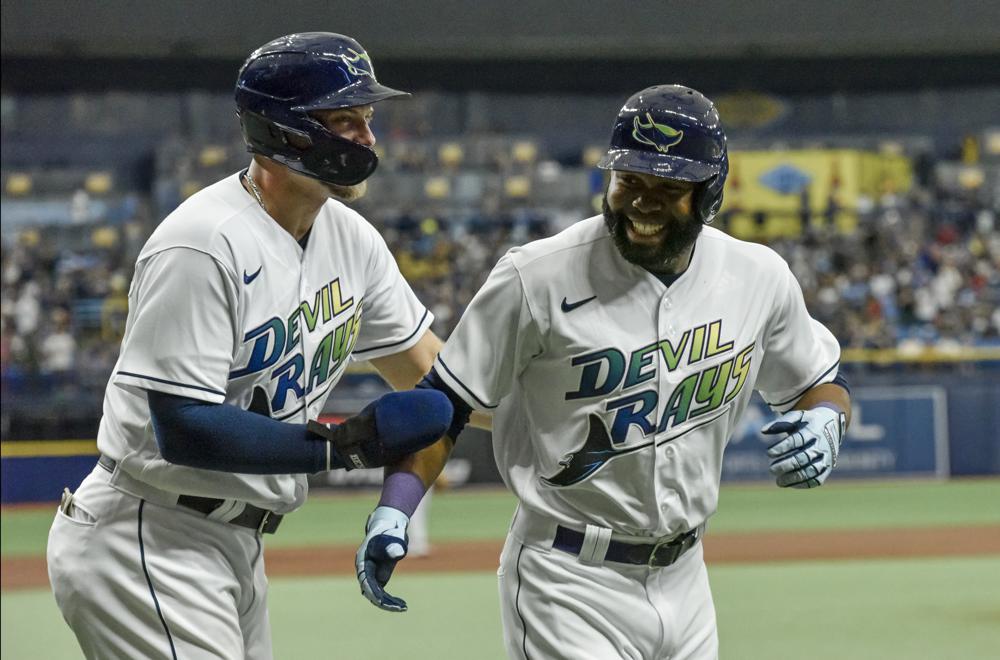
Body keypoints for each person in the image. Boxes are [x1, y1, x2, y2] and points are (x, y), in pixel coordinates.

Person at [355, 85, 852, 660]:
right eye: (629, 181)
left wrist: (826, 419)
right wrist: (396, 504)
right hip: (566, 580)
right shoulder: (534, 277)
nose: (642, 202)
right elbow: (444, 404)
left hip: (688, 577)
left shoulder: (758, 276)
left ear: (709, 194)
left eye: (668, 188)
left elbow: (819, 380)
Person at [46, 32, 453, 660]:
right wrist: (346, 446)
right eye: (345, 121)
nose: (368, 141)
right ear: (284, 131)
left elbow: (442, 381)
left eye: (367, 121)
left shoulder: (353, 239)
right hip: (148, 533)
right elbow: (183, 426)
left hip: (236, 543)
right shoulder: (204, 241)